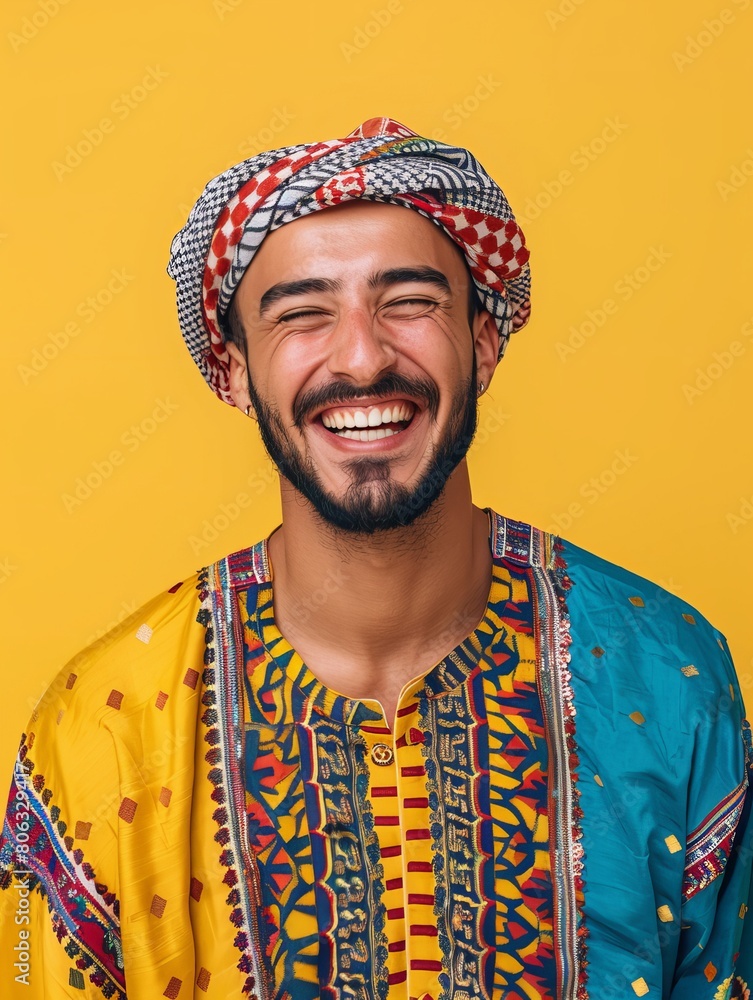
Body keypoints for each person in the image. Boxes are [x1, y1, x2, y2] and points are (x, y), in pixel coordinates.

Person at [0, 117, 750, 1000]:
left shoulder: (667, 681)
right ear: (236, 373)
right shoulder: (104, 730)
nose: (361, 356)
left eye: (409, 303)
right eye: (302, 314)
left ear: (483, 342)